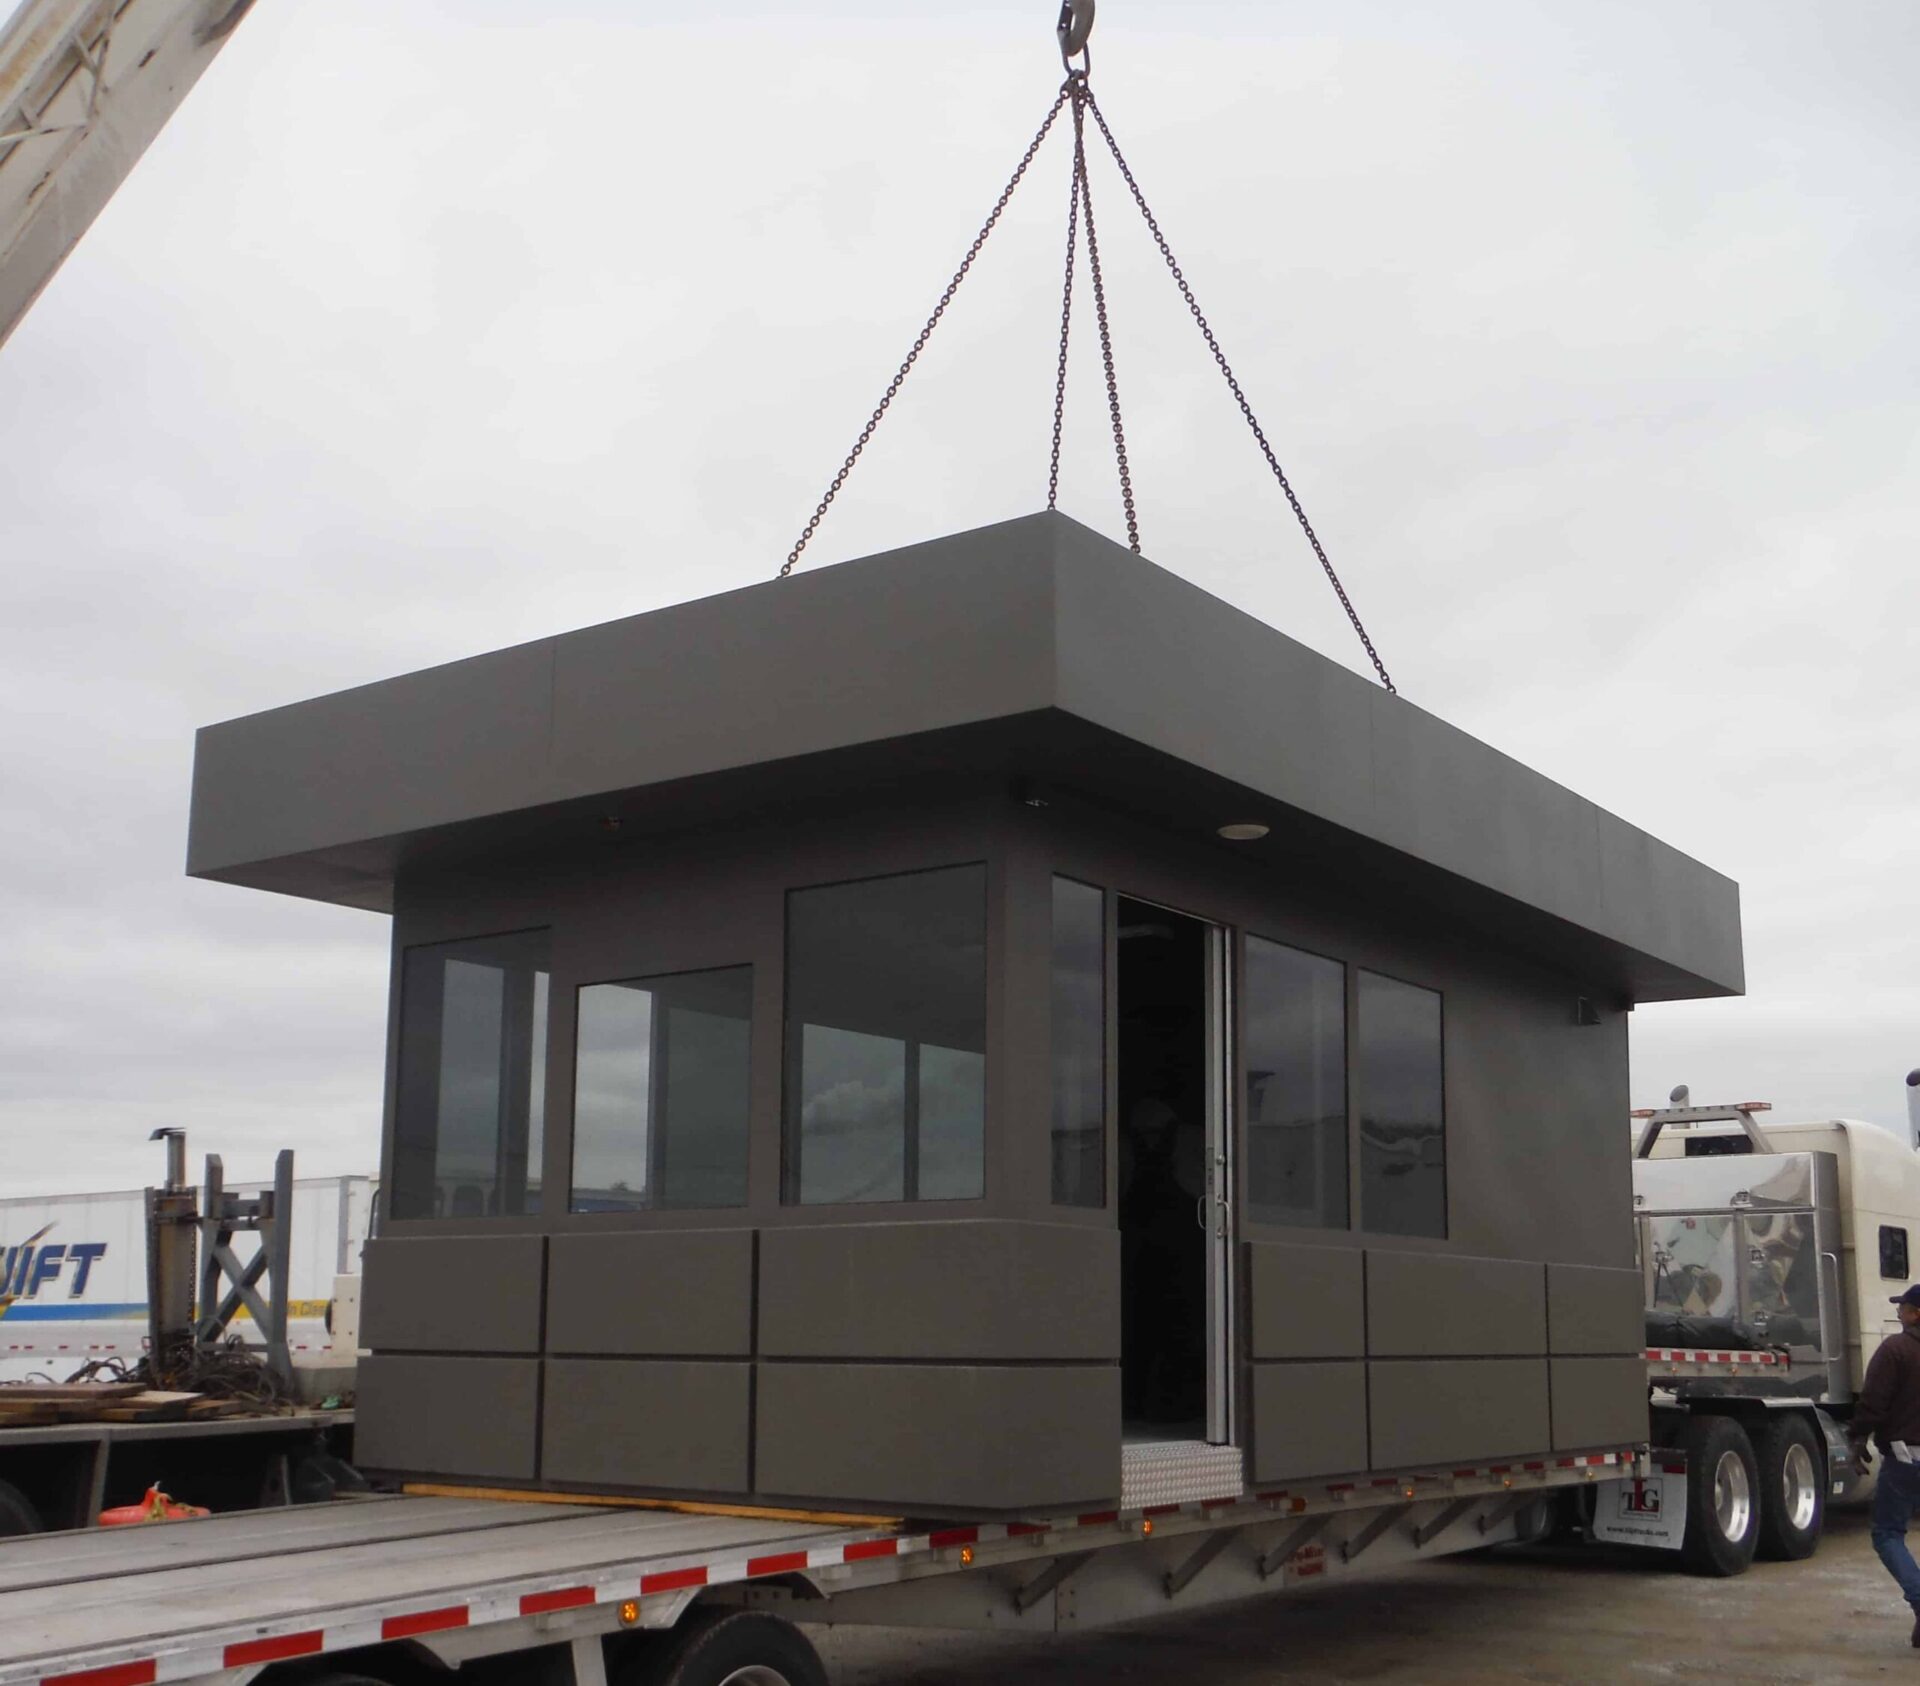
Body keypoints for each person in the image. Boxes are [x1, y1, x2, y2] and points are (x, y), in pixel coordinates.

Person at [1852, 1284, 1920, 1645]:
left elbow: (1873, 1402)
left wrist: (1858, 1438)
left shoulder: (1896, 1350)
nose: (1898, 1313)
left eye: (1903, 1308)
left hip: (1907, 1458)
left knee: (1888, 1534)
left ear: (1915, 1314)